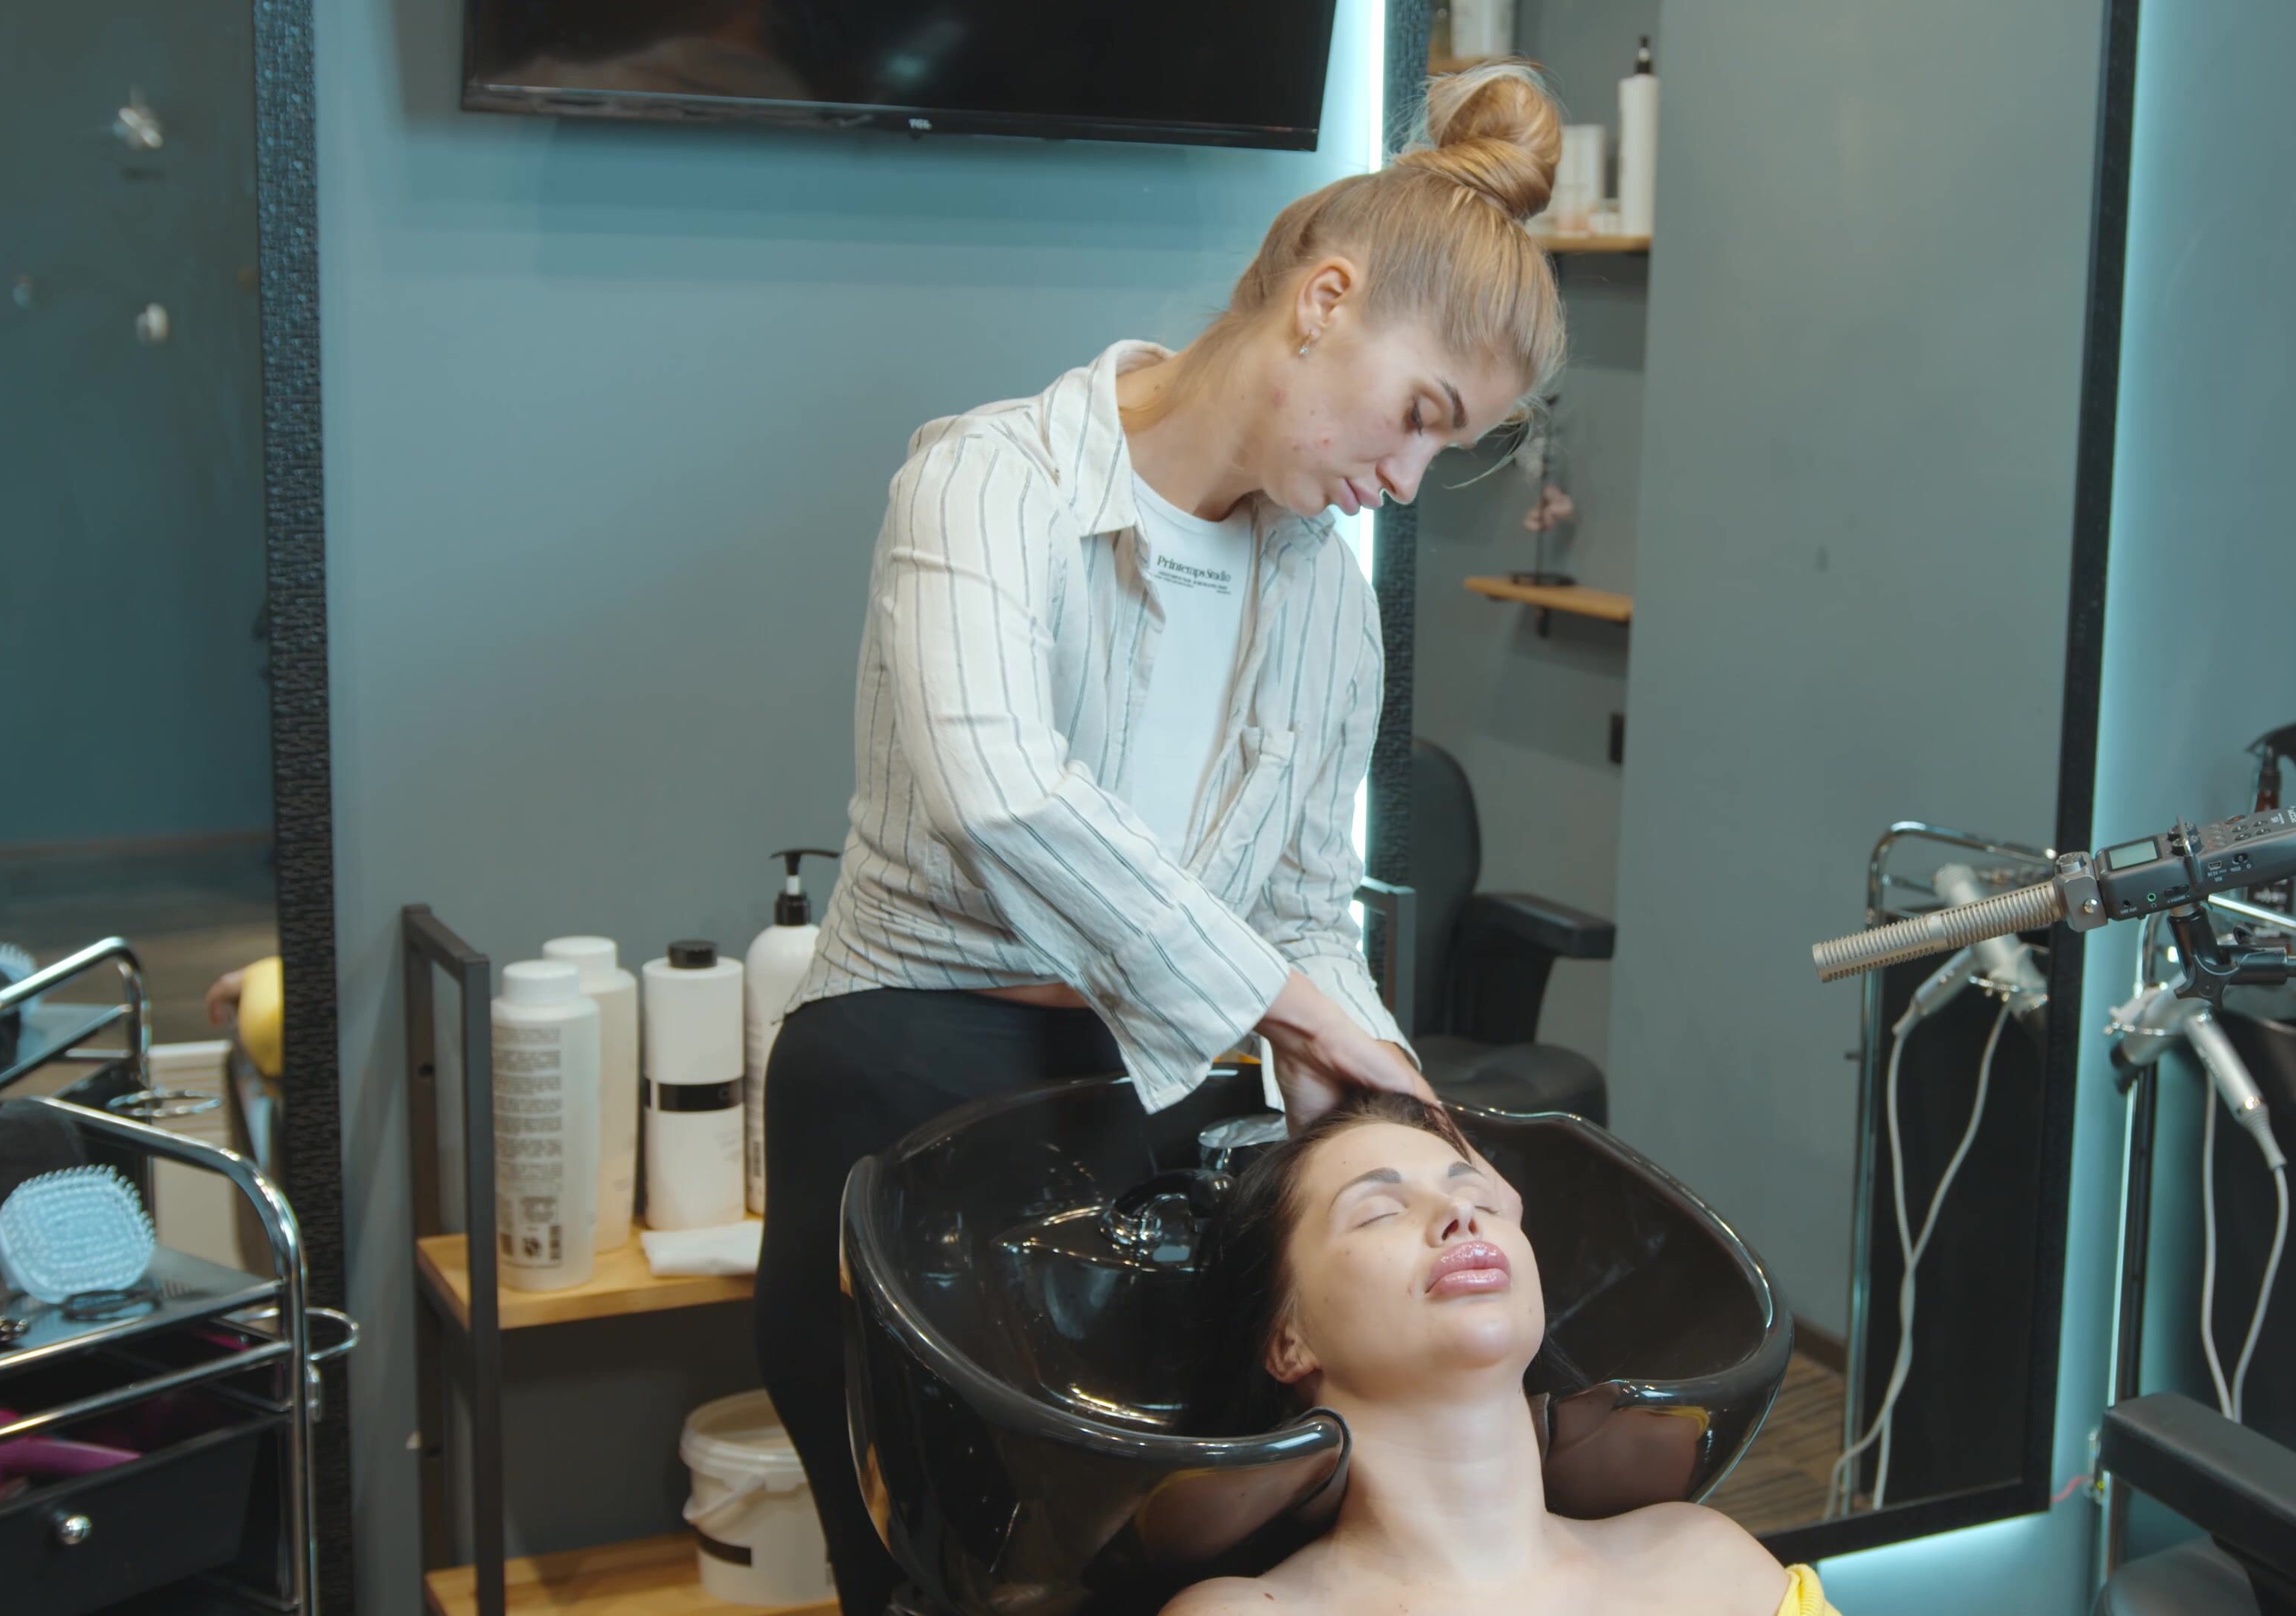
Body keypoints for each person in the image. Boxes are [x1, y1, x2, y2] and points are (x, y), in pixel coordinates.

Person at [754, 63, 1575, 1616]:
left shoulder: (1326, 602)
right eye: (1419, 417)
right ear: (1325, 300)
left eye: (1446, 450)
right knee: (941, 1577)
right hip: (907, 1079)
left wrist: (1401, 1120)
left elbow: (1305, 911)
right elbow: (1002, 789)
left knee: (1159, 1577)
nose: (1404, 481)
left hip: (1158, 1104)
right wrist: (1288, 1006)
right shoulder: (989, 482)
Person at [1169, 1092, 1834, 1615]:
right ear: (1288, 1341)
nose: (1459, 1217)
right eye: (1379, 1211)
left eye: (1479, 1200)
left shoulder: (1711, 1567)